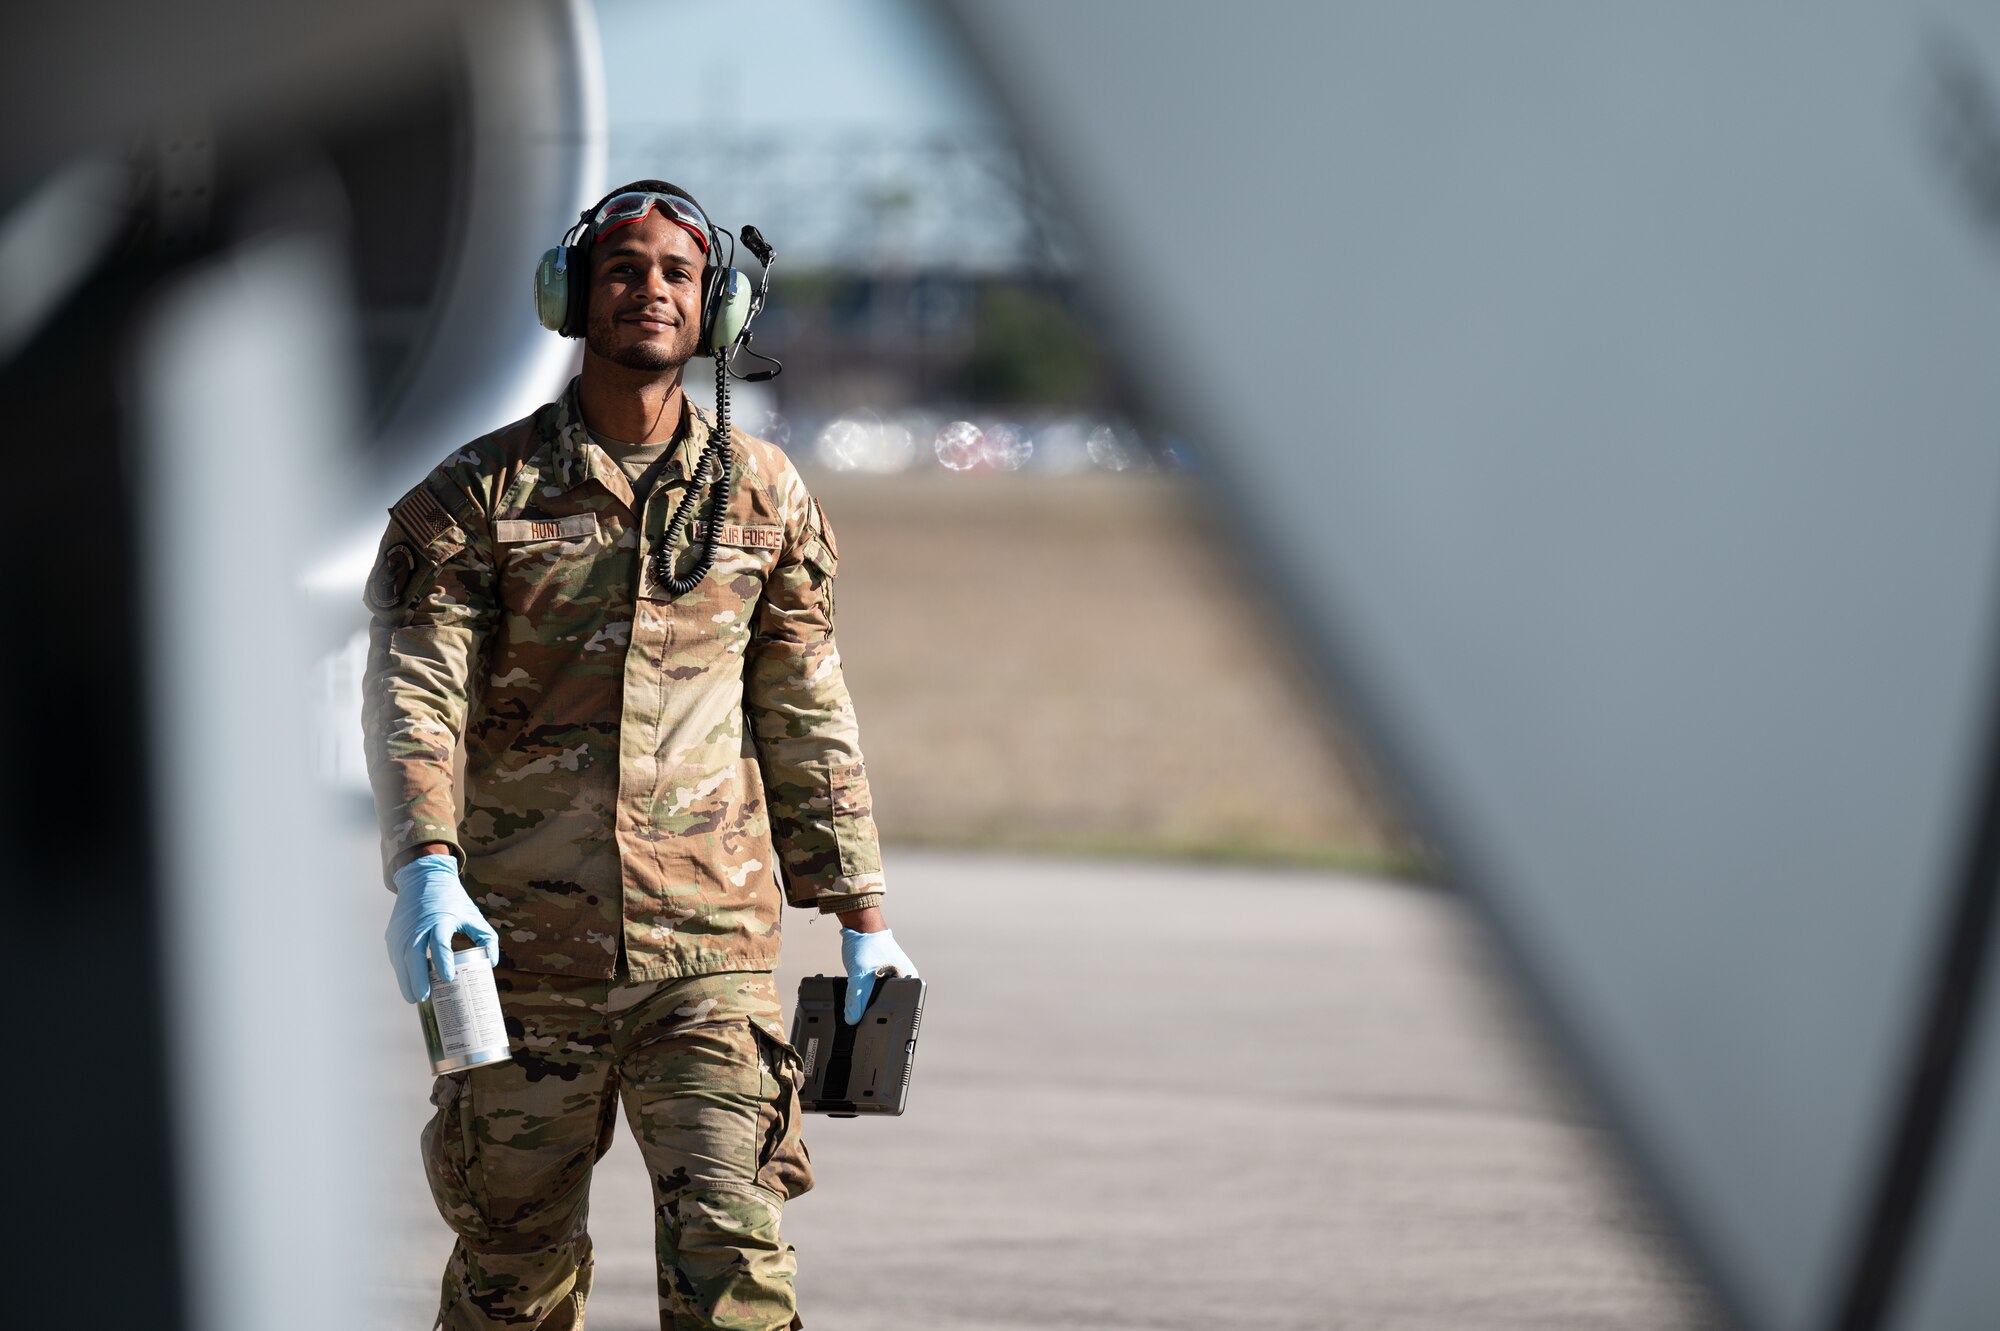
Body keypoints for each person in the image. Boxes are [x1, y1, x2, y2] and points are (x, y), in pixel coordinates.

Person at [361, 180, 916, 1330]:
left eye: (675, 272)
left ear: (716, 305)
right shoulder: (475, 496)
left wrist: (861, 907)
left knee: (734, 1244)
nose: (648, 290)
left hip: (708, 950)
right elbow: (418, 686)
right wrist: (426, 857)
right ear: (572, 296)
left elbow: (805, 703)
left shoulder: (763, 496)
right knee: (511, 1266)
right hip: (519, 955)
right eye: (621, 268)